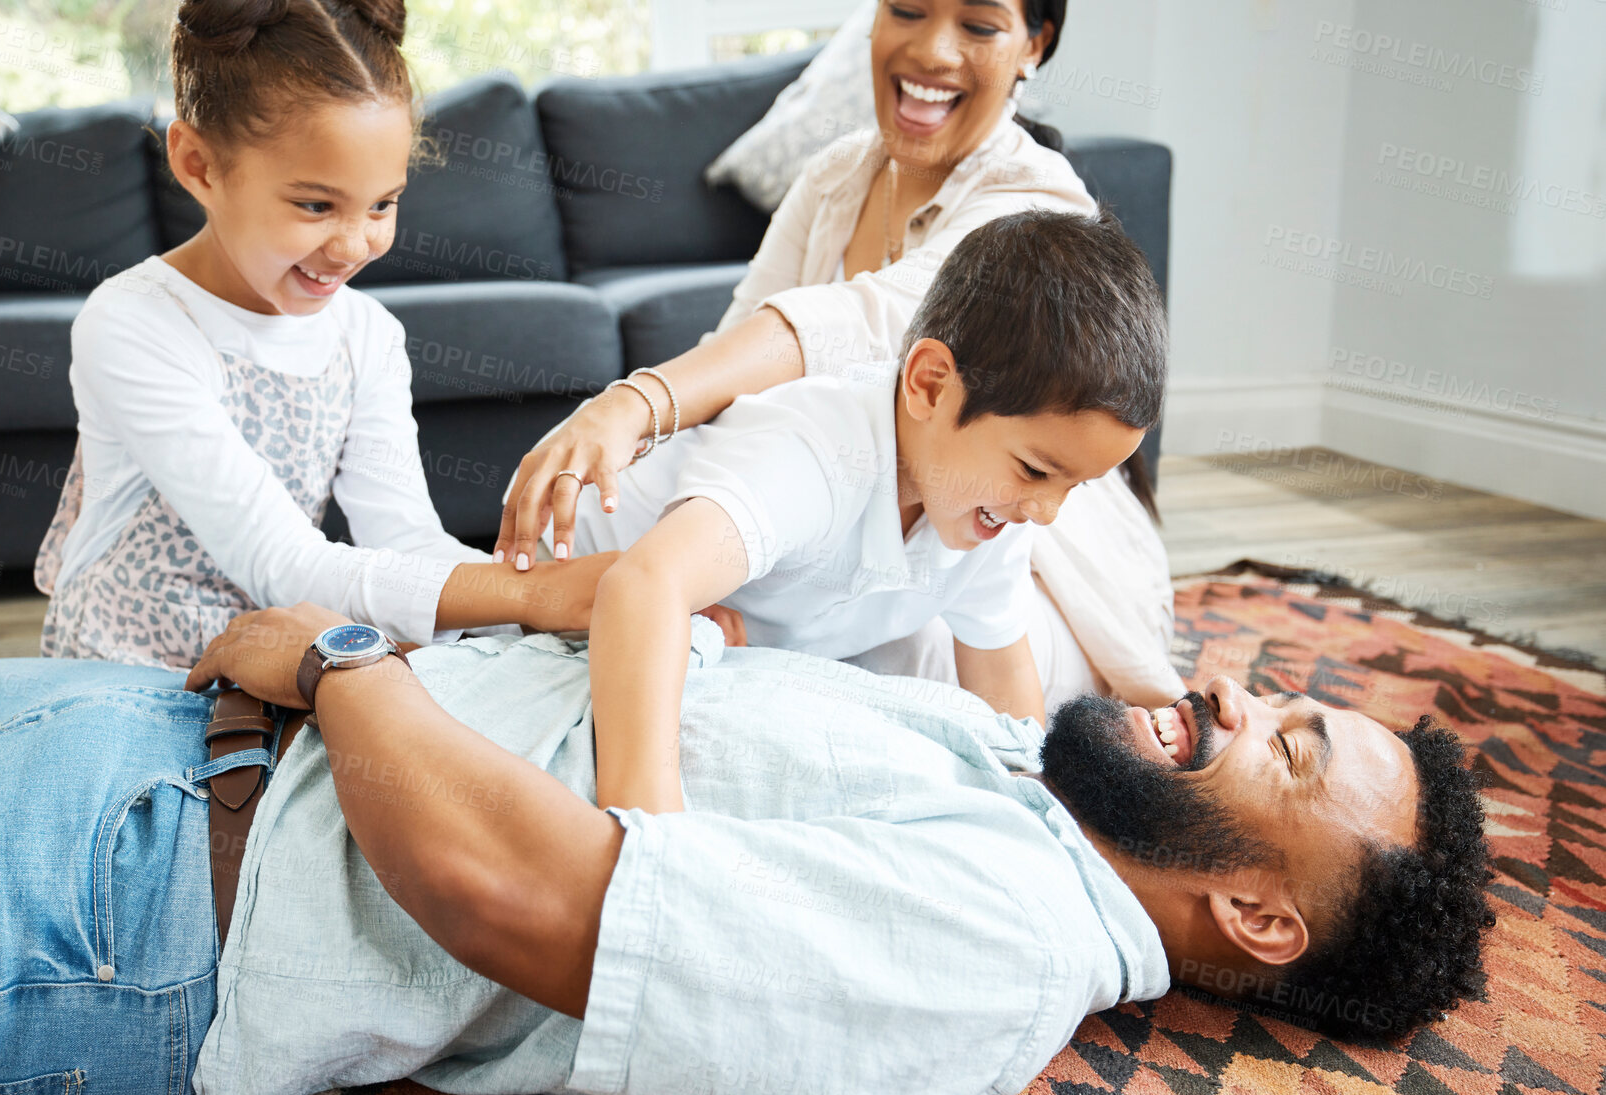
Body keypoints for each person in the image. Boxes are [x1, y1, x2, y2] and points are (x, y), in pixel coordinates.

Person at [0, 603, 1494, 1095]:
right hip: (146, 740)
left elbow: (503, 887)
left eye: (1286, 756)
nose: (1231, 696)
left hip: (125, 893)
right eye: (1284, 700)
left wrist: (337, 658)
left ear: (1262, 917)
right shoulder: (1024, 781)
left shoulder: (994, 950)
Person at [494, 0, 1184, 711]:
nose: (933, 52)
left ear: (1033, 44)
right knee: (724, 603)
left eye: (978, 26)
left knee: (917, 677)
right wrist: (639, 460)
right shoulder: (836, 175)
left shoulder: (1038, 201)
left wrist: (635, 400)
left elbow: (862, 324)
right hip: (862, 504)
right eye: (907, 10)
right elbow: (732, 352)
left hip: (1012, 518)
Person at [33, 0, 597, 669]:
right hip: (123, 670)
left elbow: (406, 541)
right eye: (315, 205)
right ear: (199, 166)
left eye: (382, 203)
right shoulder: (133, 322)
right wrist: (535, 596)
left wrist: (579, 605)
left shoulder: (366, 334)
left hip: (273, 665)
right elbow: (282, 561)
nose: (355, 244)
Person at [572, 210, 1159, 811]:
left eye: (1074, 487)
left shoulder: (991, 508)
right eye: (1036, 471)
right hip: (575, 591)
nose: (1046, 511)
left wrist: (1035, 816)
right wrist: (651, 830)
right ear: (929, 386)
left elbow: (1003, 682)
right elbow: (642, 587)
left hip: (736, 637)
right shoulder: (817, 456)